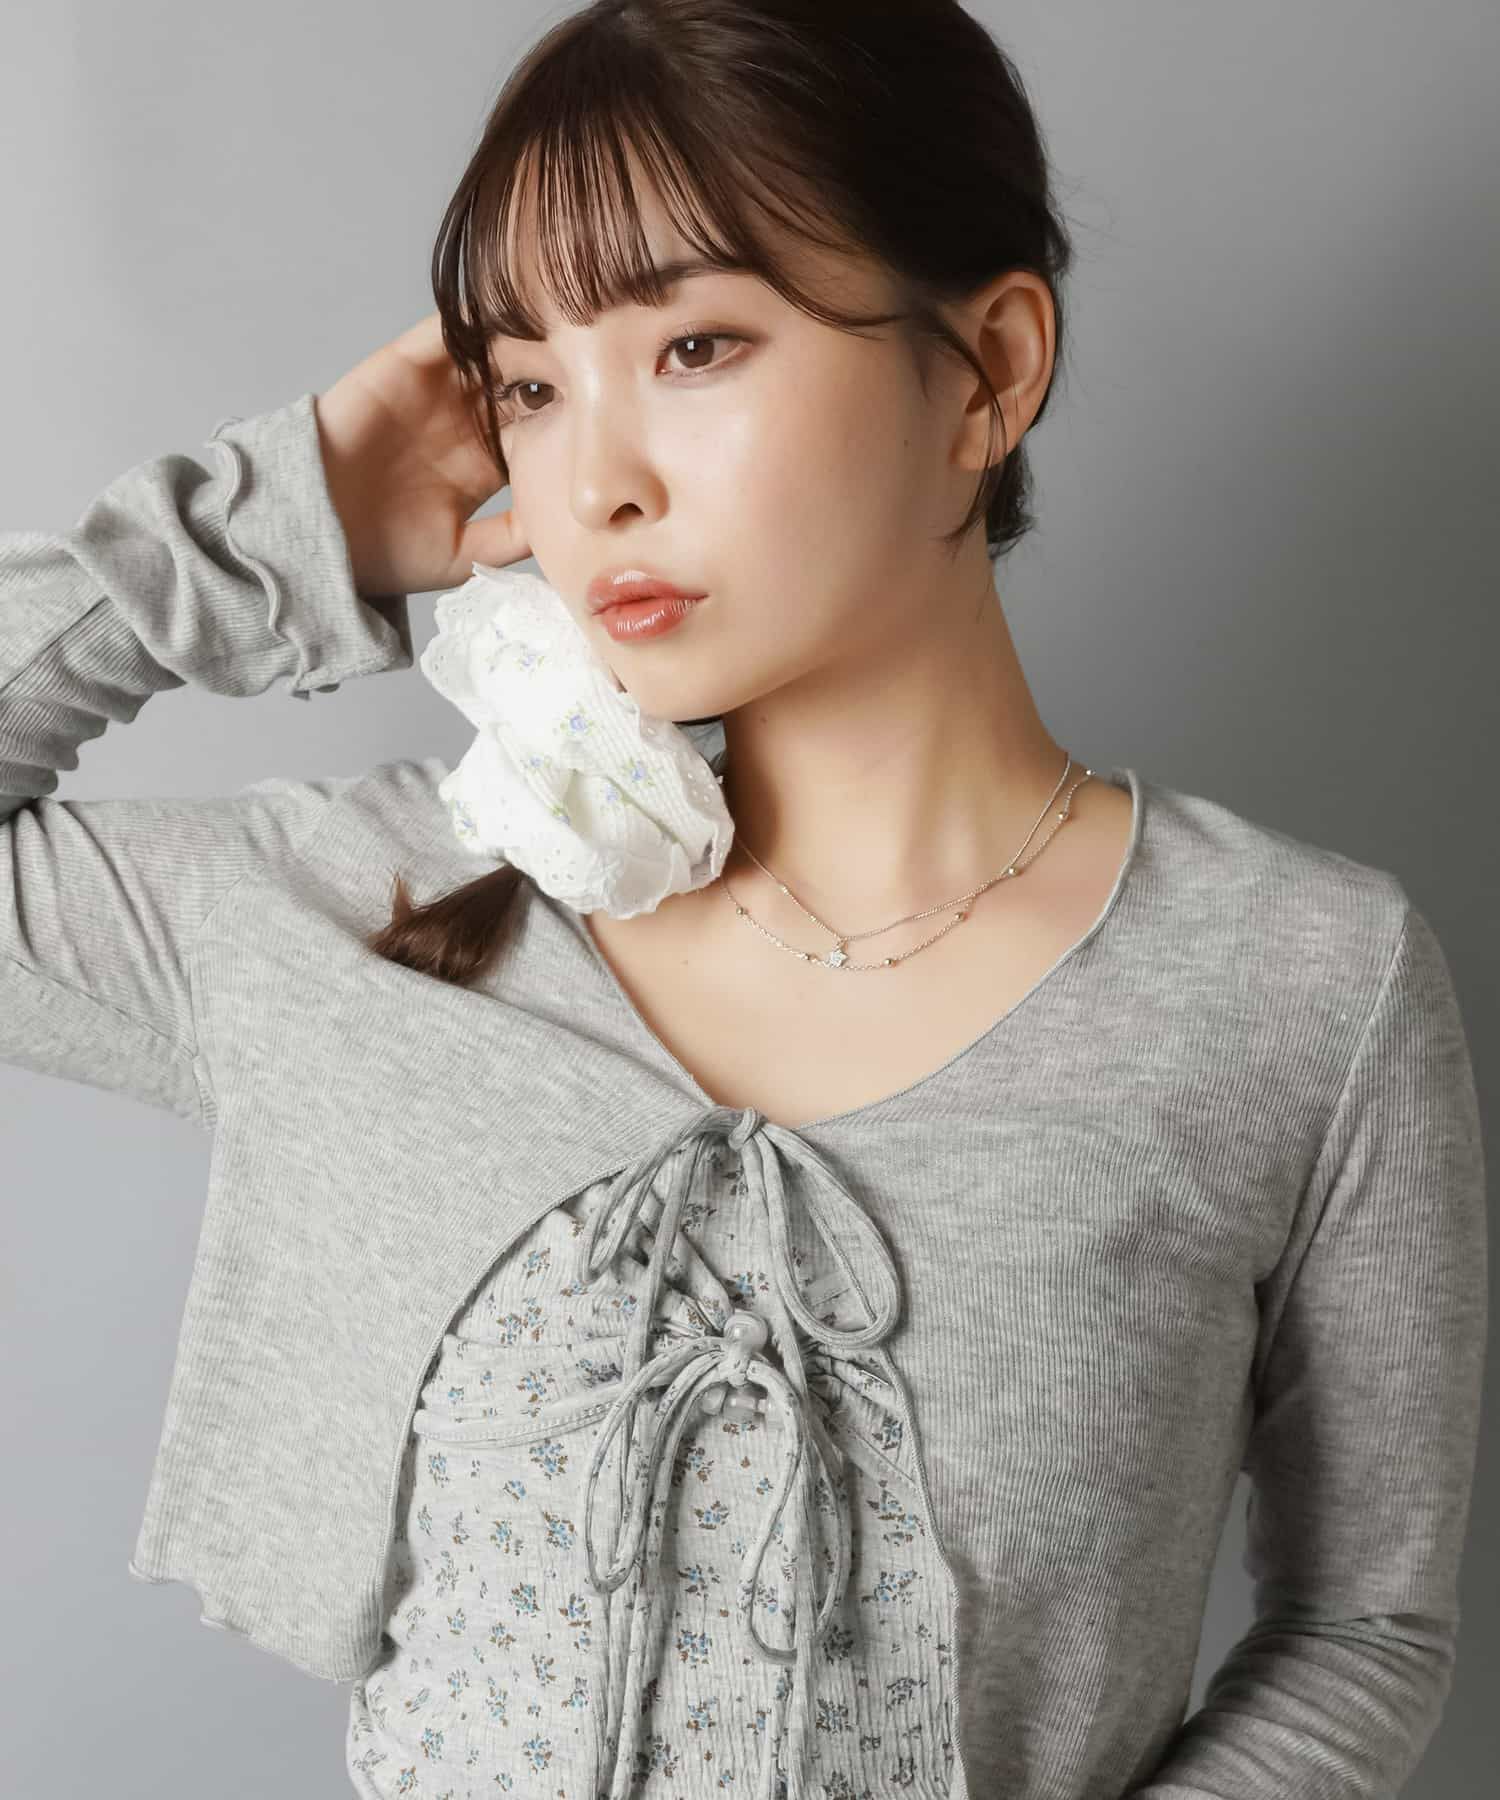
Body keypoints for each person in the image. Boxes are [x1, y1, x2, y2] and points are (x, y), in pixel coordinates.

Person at [1, 3, 1485, 1797]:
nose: (595, 484)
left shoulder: (1301, 985)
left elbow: (1360, 1629)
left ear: (990, 369)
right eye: (531, 388)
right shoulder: (378, 902)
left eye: (696, 346)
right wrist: (269, 527)